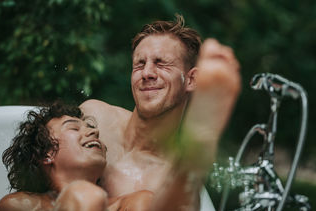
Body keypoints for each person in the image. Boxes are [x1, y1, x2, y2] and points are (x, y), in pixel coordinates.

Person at [80, 14, 241, 209]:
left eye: (160, 63)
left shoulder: (170, 179)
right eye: (139, 64)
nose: (146, 73)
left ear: (191, 80)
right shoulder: (95, 118)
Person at [0, 102, 153, 211]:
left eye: (91, 128)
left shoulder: (135, 204)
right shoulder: (18, 206)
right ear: (46, 153)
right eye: (74, 128)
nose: (94, 132)